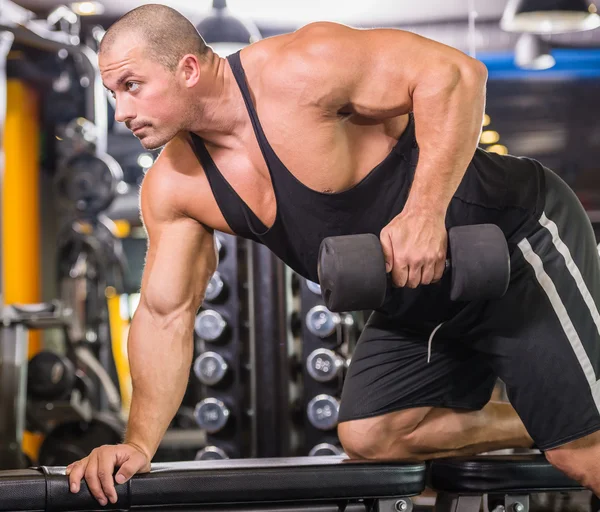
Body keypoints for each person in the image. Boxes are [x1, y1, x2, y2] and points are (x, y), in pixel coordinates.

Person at [65, 3, 600, 507]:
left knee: (580, 452)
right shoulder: (174, 186)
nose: (122, 112)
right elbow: (165, 315)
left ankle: (570, 416)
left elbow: (456, 75)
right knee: (374, 434)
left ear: (187, 69)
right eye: (114, 93)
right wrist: (138, 445)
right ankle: (551, 408)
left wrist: (423, 213)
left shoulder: (300, 68)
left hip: (516, 241)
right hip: (421, 303)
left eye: (132, 87)